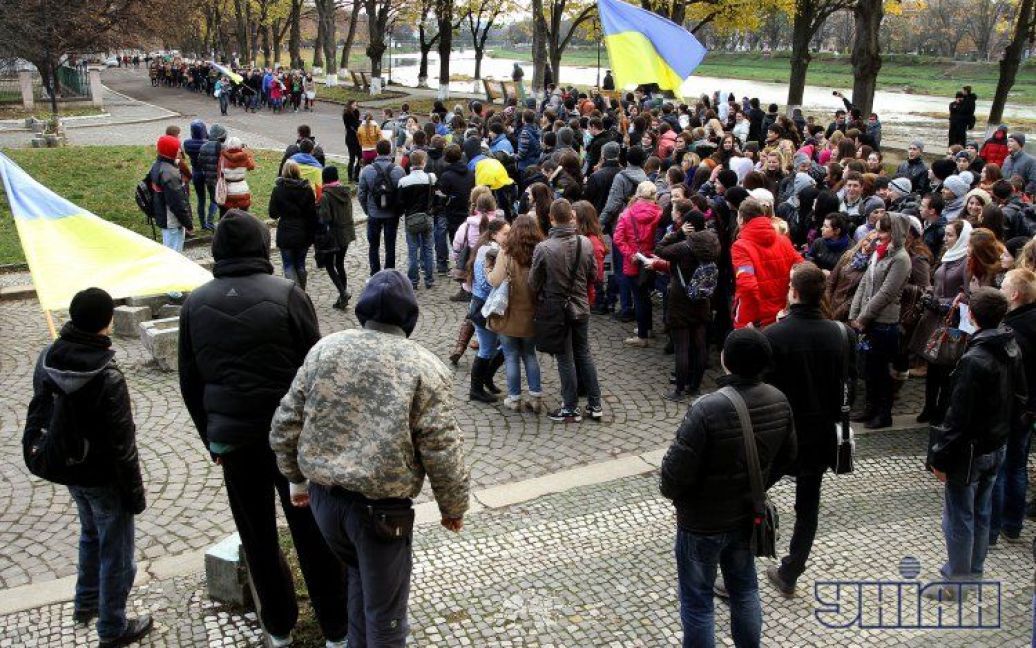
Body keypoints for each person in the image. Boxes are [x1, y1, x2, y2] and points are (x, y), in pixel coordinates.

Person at [269, 270, 470, 648]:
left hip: (325, 506)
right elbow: (442, 447)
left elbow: (286, 422)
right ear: (409, 317)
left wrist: (295, 478)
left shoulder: (326, 349)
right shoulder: (424, 367)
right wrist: (453, 506)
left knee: (359, 588)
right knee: (387, 620)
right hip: (381, 517)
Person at [178, 211, 349, 648]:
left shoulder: (195, 304)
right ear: (261, 245)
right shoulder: (288, 294)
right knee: (312, 531)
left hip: (233, 441)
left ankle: (277, 626)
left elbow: (190, 381)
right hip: (291, 440)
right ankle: (336, 628)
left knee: (257, 534)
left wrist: (209, 438)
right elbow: (316, 371)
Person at [26, 288, 152, 647]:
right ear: (104, 323)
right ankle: (112, 627)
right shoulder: (107, 375)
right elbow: (121, 444)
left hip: (67, 464)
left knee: (89, 533)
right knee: (117, 551)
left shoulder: (48, 356)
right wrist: (134, 494)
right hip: (102, 475)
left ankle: (86, 602)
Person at [659, 327, 796, 648]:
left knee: (698, 602)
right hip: (746, 515)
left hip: (701, 523)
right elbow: (788, 457)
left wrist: (683, 498)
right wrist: (757, 486)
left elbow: (673, 476)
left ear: (727, 361)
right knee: (745, 589)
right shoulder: (779, 401)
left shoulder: (707, 409)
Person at [926, 287, 1026, 601]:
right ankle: (974, 573)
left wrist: (939, 458)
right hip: (996, 445)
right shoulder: (1010, 346)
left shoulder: (976, 358)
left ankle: (956, 583)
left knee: (959, 517)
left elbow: (958, 418)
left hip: (970, 453)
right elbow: (1019, 397)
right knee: (981, 512)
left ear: (972, 315)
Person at [763, 262, 857, 596]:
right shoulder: (842, 333)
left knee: (750, 493)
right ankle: (791, 571)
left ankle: (737, 570)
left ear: (795, 292)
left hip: (781, 435)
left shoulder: (773, 336)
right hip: (819, 435)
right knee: (808, 507)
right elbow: (850, 389)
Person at [529, 199, 603, 423]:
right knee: (584, 353)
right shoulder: (586, 243)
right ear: (571, 217)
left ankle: (570, 407)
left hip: (556, 309)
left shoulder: (543, 248)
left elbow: (533, 282)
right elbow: (594, 275)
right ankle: (595, 403)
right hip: (581, 306)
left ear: (551, 219)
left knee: (565, 358)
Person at [848, 212, 912, 429]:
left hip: (885, 322)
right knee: (869, 370)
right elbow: (866, 282)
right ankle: (870, 408)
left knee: (882, 371)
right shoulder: (879, 252)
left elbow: (886, 292)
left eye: (883, 231)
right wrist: (854, 314)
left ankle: (883, 413)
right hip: (868, 320)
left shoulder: (901, 258)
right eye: (877, 230)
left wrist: (864, 317)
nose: (878, 235)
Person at [654, 204, 720, 399]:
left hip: (680, 298)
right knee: (700, 345)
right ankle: (695, 386)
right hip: (702, 298)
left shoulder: (684, 247)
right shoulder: (714, 243)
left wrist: (677, 233)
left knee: (682, 345)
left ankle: (679, 389)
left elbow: (659, 249)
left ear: (688, 225)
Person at [990, 268, 1036, 544]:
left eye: (1004, 286)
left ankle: (994, 527)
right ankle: (1012, 524)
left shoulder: (1012, 332)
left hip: (1011, 407)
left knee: (1001, 467)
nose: (1001, 289)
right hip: (1029, 408)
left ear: (1015, 295)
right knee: (1018, 465)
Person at [488, 214, 544, 412]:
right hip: (532, 313)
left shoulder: (506, 253)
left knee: (511, 355)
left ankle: (514, 398)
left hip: (510, 313)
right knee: (530, 354)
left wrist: (488, 269)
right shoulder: (541, 251)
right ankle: (536, 397)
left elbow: (495, 281)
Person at [731, 198, 803, 329]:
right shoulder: (784, 241)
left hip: (755, 319)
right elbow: (802, 270)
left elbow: (747, 286)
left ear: (741, 219)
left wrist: (755, 317)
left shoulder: (740, 247)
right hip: (781, 315)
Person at [614, 181, 662, 346]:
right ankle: (647, 328)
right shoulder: (659, 213)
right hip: (652, 260)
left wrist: (630, 253)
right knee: (646, 296)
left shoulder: (627, 214)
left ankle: (642, 336)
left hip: (634, 261)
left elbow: (618, 238)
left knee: (639, 298)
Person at [467, 219, 510, 403]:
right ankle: (475, 389)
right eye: (505, 234)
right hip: (484, 307)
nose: (508, 237)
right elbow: (485, 283)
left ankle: (486, 379)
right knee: (486, 349)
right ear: (494, 234)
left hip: (487, 305)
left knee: (503, 346)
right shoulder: (489, 251)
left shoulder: (492, 249)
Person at [358, 139, 405, 275]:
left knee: (373, 245)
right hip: (392, 214)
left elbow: (361, 193)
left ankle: (375, 272)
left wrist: (367, 209)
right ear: (389, 150)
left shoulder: (367, 170)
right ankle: (389, 272)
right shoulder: (399, 170)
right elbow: (402, 194)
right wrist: (399, 211)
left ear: (376, 151)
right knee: (390, 245)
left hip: (374, 213)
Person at [269, 161, 318, 289]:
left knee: (288, 265)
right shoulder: (307, 189)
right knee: (300, 264)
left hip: (285, 232)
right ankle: (302, 291)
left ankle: (295, 293)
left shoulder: (278, 190)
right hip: (303, 232)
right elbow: (313, 214)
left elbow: (273, 213)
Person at [316, 165, 355, 310]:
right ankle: (342, 297)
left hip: (333, 235)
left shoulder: (325, 195)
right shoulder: (345, 192)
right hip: (346, 233)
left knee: (329, 264)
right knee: (340, 264)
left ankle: (343, 293)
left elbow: (325, 218)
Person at [398, 149, 437, 290]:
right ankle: (429, 279)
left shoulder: (403, 181)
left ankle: (413, 281)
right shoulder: (431, 178)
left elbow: (400, 202)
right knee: (428, 249)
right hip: (426, 216)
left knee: (412, 251)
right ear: (423, 162)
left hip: (411, 218)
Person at [149, 135, 193, 253]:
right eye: (177, 148)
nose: (180, 150)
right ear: (170, 151)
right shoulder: (170, 174)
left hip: (164, 216)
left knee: (168, 249)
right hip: (172, 221)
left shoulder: (157, 165)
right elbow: (177, 203)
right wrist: (188, 223)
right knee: (174, 253)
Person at [436, 144, 475, 275]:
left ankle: (461, 267)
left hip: (452, 211)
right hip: (467, 209)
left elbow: (443, 194)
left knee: (456, 240)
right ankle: (466, 265)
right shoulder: (470, 172)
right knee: (467, 239)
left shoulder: (446, 175)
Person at [183, 119, 216, 230]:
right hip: (209, 172)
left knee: (200, 199)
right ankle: (210, 221)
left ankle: (203, 224)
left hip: (196, 171)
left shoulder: (187, 143)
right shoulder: (207, 143)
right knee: (213, 198)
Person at [198, 123, 228, 218]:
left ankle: (210, 221)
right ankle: (222, 221)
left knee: (214, 200)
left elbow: (200, 162)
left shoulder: (203, 146)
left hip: (209, 179)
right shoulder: (223, 147)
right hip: (220, 179)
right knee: (223, 203)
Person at [219, 136, 256, 212]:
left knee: (227, 213)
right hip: (242, 188)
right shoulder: (244, 156)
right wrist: (247, 152)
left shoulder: (223, 156)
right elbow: (251, 166)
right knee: (244, 213)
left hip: (228, 189)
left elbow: (220, 171)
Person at [342, 101, 363, 182]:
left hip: (357, 138)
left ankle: (356, 176)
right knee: (352, 159)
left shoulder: (356, 112)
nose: (356, 106)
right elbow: (351, 125)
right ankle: (350, 177)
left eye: (356, 104)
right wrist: (359, 123)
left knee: (361, 157)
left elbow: (357, 122)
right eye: (354, 105)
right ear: (350, 105)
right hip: (351, 139)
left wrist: (359, 123)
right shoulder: (346, 114)